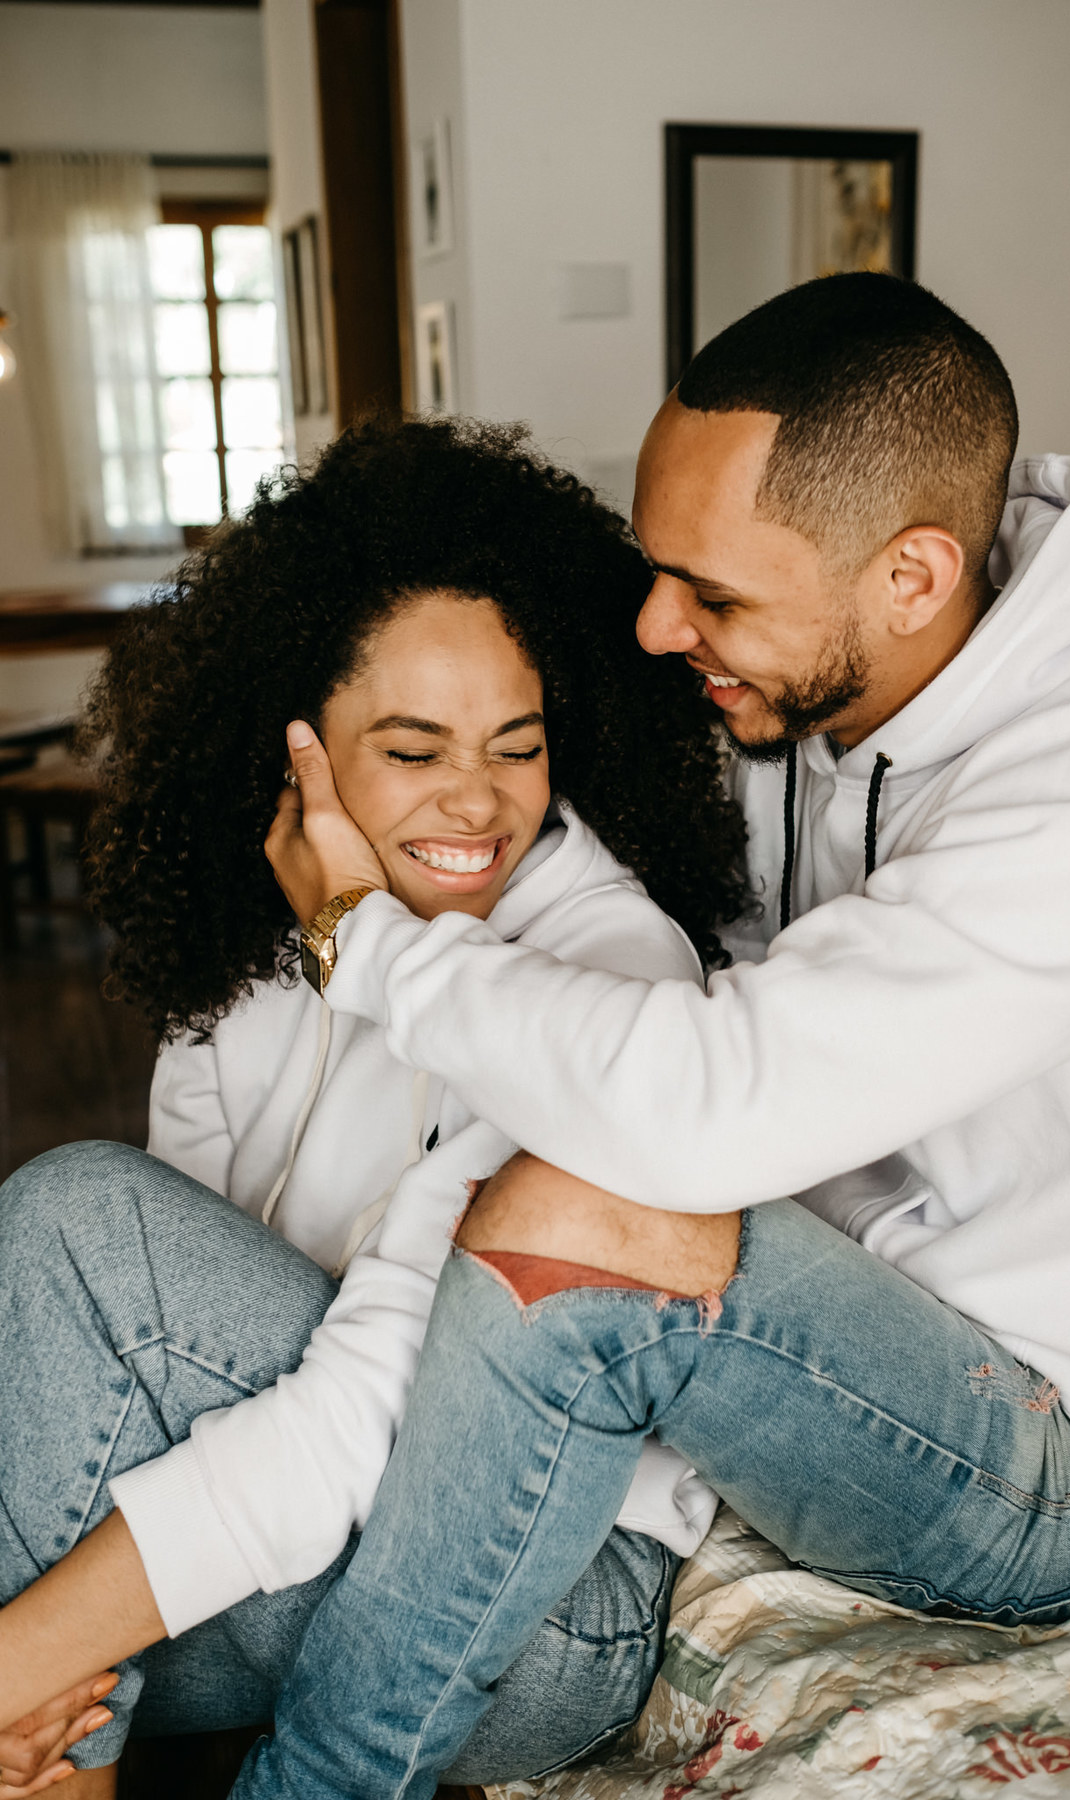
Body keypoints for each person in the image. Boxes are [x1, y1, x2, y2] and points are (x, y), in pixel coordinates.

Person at [214, 270, 1070, 1797]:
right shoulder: (829, 693)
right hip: (879, 1338)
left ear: (915, 575)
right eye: (658, 566)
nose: (658, 623)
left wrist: (372, 950)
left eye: (715, 595)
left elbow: (702, 1106)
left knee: (576, 1213)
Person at [0, 414, 749, 1795]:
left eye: (517, 748)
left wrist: (18, 1659)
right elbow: (155, 1347)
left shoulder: (604, 972)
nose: (479, 801)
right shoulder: (259, 916)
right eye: (413, 751)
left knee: (65, 1222)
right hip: (320, 1498)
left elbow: (372, 1417)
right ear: (300, 751)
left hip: (537, 1595)